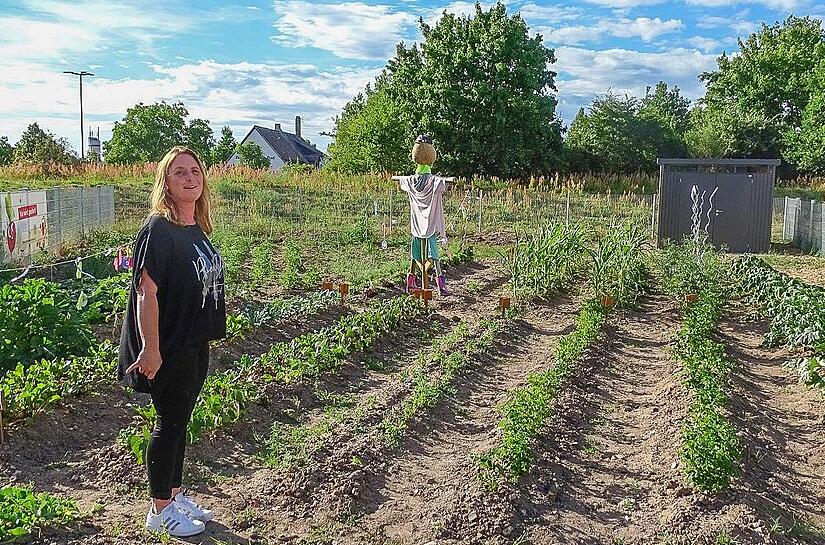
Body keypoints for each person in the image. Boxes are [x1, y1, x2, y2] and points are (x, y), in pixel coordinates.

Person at [117, 146, 226, 537]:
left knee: (180, 422)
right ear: (165, 180)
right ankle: (159, 510)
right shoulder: (158, 229)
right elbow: (146, 290)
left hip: (194, 341)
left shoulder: (195, 226)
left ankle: (174, 495)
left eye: (195, 171)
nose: (190, 178)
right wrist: (150, 347)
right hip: (168, 344)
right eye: (179, 172)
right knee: (169, 423)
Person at [392, 134, 455, 296]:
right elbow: (441, 183)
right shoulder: (432, 181)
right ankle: (440, 284)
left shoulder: (411, 181)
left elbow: (402, 181)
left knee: (416, 255)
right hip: (430, 223)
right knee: (433, 254)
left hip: (417, 223)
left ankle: (411, 281)